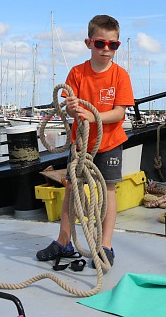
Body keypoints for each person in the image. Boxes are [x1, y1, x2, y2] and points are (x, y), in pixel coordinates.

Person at [36, 14, 134, 268]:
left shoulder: (120, 76)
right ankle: (64, 242)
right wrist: (71, 108)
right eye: (100, 43)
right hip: (81, 146)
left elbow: (119, 112)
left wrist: (93, 116)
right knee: (71, 190)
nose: (106, 50)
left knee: (107, 192)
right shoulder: (77, 73)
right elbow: (71, 110)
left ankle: (106, 245)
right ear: (88, 43)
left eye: (113, 45)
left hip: (110, 143)